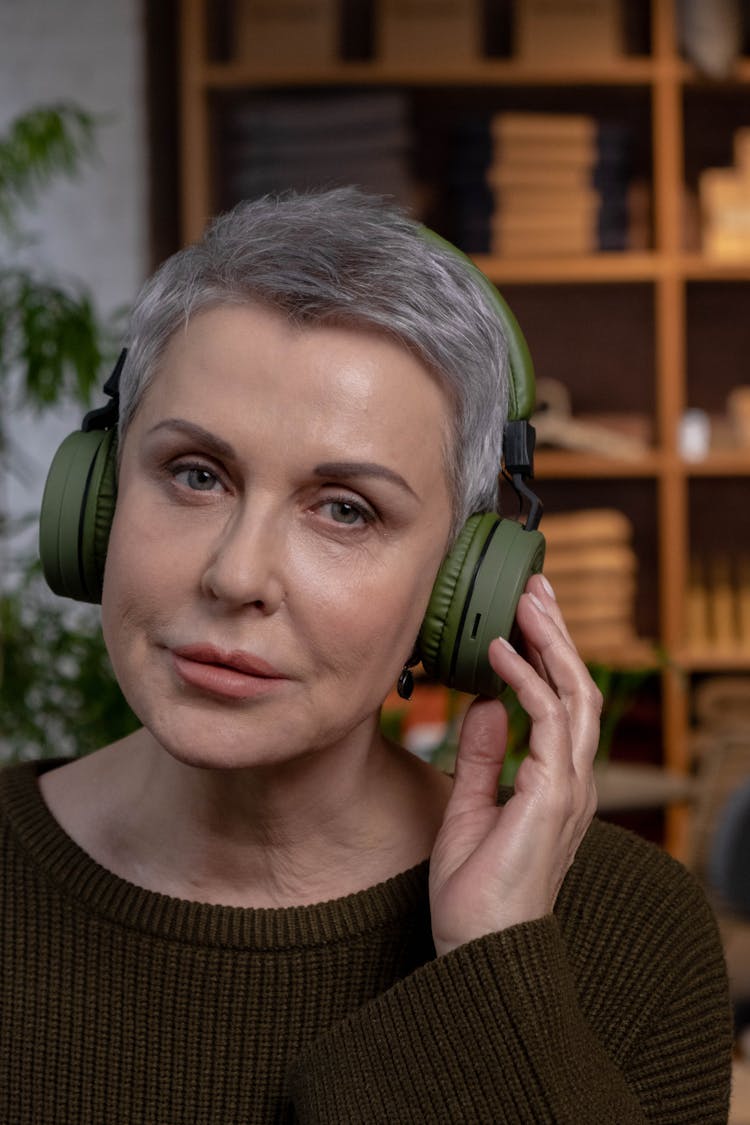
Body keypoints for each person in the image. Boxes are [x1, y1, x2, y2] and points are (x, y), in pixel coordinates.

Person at [1, 187, 731, 1123]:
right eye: (195, 474)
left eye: (346, 507)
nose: (237, 574)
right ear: (96, 502)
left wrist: (492, 972)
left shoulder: (632, 936)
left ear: (461, 587)